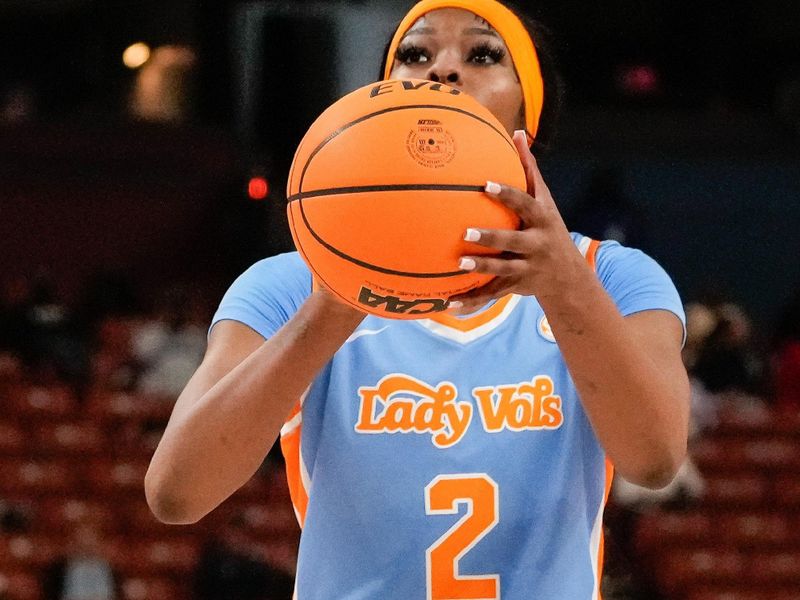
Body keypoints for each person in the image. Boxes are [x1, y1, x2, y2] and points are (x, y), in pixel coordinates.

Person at [145, 1, 690, 598]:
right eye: (415, 54)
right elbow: (177, 494)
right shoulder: (288, 285)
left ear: (528, 114)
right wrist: (335, 305)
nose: (443, 71)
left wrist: (565, 291)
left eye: (482, 54)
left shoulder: (610, 278)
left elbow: (655, 460)